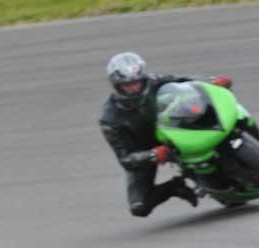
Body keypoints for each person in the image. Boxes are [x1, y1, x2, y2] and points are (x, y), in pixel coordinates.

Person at [99, 52, 235, 217]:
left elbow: (183, 80)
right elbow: (126, 159)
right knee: (139, 207)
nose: (134, 87)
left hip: (174, 128)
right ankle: (175, 187)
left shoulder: (154, 81)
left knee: (211, 117)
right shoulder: (109, 119)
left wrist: (211, 81)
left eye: (137, 82)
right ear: (116, 85)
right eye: (127, 85)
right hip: (146, 149)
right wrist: (152, 155)